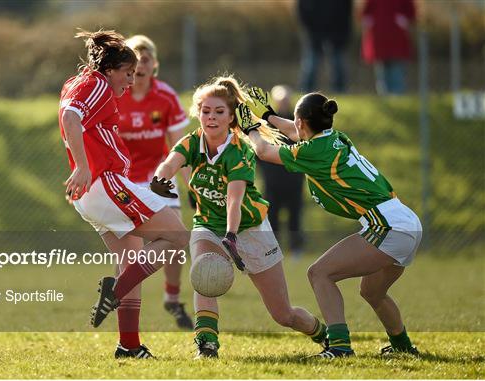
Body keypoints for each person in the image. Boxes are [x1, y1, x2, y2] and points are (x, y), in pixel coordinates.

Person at [151, 75, 328, 359]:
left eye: (219, 112)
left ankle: (325, 335)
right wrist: (160, 180)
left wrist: (231, 235)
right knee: (204, 274)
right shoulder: (191, 142)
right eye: (206, 111)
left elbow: (234, 199)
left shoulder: (239, 150)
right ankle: (207, 346)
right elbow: (171, 162)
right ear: (198, 114)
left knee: (283, 314)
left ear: (232, 116)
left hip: (249, 228)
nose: (211, 117)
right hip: (208, 224)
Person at [239, 87, 422, 358]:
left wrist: (251, 128)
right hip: (406, 221)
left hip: (386, 225)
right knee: (372, 292)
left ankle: (339, 347)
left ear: (302, 122)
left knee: (319, 273)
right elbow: (294, 131)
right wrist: (269, 116)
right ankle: (403, 347)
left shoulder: (315, 150)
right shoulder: (335, 138)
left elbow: (264, 151)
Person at [59, 29, 189, 359]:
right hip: (103, 182)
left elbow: (74, 117)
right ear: (111, 68)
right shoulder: (98, 85)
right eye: (128, 73)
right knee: (177, 237)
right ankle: (115, 291)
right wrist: (84, 166)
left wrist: (83, 167)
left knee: (131, 260)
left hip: (91, 194)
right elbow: (70, 117)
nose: (131, 81)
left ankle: (129, 346)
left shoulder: (80, 83)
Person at [115, 34, 193, 350]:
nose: (142, 64)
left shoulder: (166, 97)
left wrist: (192, 186)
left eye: (147, 58)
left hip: (159, 177)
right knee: (128, 253)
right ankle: (127, 325)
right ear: (128, 66)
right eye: (136, 58)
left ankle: (172, 297)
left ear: (155, 64)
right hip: (123, 180)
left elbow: (180, 148)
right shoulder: (115, 95)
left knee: (176, 236)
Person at [256, 85, 305, 257]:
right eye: (280, 100)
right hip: (272, 182)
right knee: (271, 219)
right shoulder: (267, 126)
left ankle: (296, 250)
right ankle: (272, 251)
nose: (283, 104)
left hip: (294, 181)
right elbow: (257, 152)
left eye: (286, 100)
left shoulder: (297, 124)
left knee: (295, 218)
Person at [361, 0, 416, 95]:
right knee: (382, 77)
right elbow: (366, 14)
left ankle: (397, 101)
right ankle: (386, 99)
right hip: (379, 41)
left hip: (396, 41)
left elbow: (411, 13)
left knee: (396, 75)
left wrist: (403, 21)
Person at [297, 0, 353, 93]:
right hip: (314, 33)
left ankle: (340, 92)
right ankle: (306, 92)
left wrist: (343, 32)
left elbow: (347, 11)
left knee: (337, 65)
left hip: (337, 32)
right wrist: (309, 29)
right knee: (311, 65)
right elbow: (302, 11)